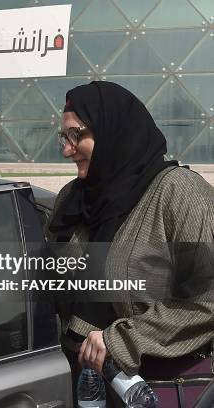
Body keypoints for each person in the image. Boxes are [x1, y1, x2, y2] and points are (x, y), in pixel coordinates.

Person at [46, 81, 214, 407]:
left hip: (165, 386)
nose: (67, 149)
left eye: (77, 135)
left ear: (113, 130)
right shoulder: (72, 200)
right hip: (86, 384)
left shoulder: (178, 194)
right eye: (64, 137)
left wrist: (123, 339)